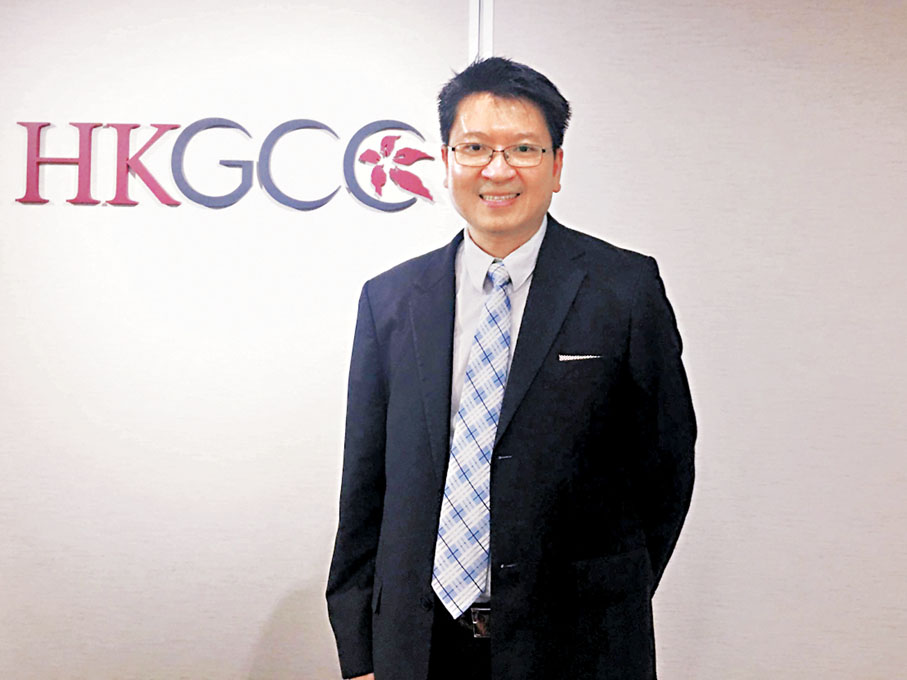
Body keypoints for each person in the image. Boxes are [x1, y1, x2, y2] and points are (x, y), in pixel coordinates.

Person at [326, 57, 696, 680]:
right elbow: (365, 487)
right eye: (475, 148)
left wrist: (609, 594)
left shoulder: (625, 290)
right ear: (446, 162)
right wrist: (361, 651)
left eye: (524, 148)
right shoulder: (390, 300)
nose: (497, 170)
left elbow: (666, 469)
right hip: (419, 647)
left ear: (557, 166)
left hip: (577, 647)